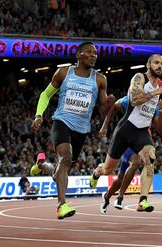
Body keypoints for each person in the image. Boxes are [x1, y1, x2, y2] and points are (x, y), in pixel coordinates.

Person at [31, 42, 115, 219]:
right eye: (89, 52)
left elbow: (102, 109)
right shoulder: (63, 73)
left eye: (95, 53)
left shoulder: (100, 79)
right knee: (65, 157)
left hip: (81, 130)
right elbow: (45, 94)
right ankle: (62, 205)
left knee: (62, 171)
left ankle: (42, 165)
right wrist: (39, 115)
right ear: (78, 55)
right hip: (61, 122)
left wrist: (108, 106)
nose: (94, 56)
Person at [89, 54, 162, 212]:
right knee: (108, 169)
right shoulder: (139, 78)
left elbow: (161, 130)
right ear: (148, 64)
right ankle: (96, 173)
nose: (160, 66)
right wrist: (156, 92)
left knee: (150, 158)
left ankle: (143, 200)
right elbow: (134, 100)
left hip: (141, 132)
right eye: (156, 63)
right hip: (126, 129)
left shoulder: (161, 85)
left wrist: (160, 108)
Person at [99, 96, 162, 214]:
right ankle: (107, 197)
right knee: (118, 177)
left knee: (138, 163)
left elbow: (161, 130)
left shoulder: (153, 107)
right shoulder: (131, 99)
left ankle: (122, 198)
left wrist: (160, 110)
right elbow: (114, 106)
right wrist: (105, 125)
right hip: (126, 139)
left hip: (141, 140)